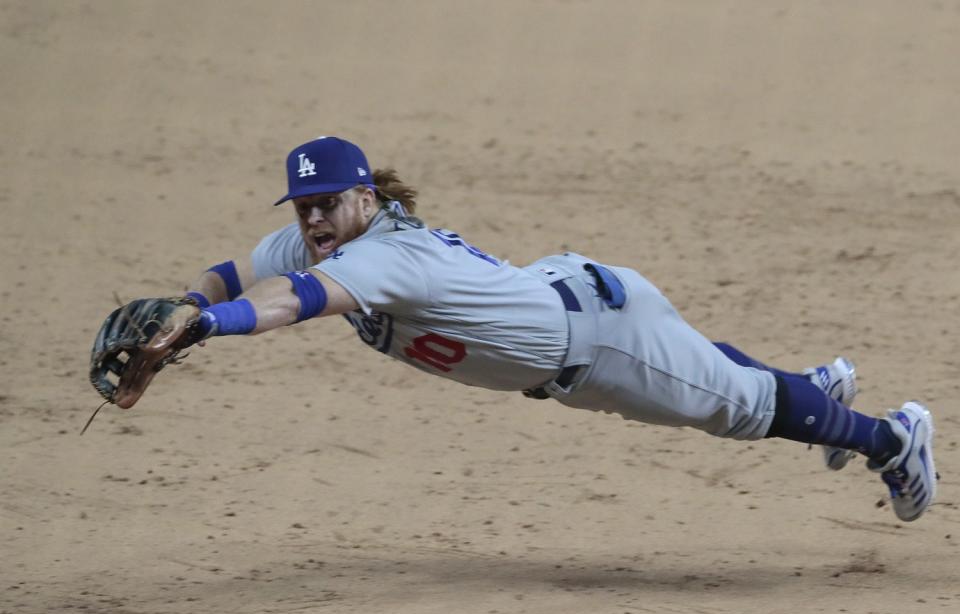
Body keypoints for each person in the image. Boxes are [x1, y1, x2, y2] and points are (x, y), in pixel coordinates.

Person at [167, 135, 936, 522]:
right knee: (715, 378)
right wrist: (186, 307)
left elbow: (285, 304)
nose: (312, 222)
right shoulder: (323, 240)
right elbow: (237, 274)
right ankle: (814, 397)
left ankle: (890, 438)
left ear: (365, 198)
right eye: (303, 208)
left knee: (741, 410)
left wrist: (210, 328)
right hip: (574, 296)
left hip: (599, 345)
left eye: (327, 204)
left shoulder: (384, 259)